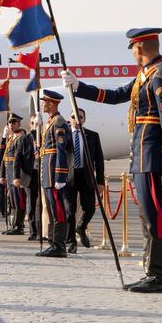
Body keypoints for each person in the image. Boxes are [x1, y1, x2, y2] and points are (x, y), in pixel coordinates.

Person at [63, 28, 162, 292]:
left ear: (139, 47)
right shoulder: (145, 75)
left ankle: (160, 276)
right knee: (147, 215)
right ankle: (151, 270)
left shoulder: (161, 76)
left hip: (153, 157)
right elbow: (116, 95)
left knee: (157, 215)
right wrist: (79, 87)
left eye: (132, 48)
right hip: (142, 155)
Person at [35, 90, 72, 258]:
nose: (42, 104)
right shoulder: (51, 122)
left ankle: (59, 245)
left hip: (54, 174)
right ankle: (52, 242)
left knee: (57, 210)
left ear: (51, 104)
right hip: (47, 173)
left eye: (44, 102)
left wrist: (60, 176)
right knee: (51, 210)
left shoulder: (58, 123)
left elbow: (61, 150)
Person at [65, 108, 105, 252]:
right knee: (70, 210)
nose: (77, 120)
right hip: (69, 176)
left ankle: (80, 227)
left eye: (80, 117)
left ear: (84, 119)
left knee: (89, 208)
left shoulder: (93, 136)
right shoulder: (64, 135)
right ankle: (71, 243)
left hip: (86, 176)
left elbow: (99, 160)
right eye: (73, 117)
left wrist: (100, 181)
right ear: (70, 119)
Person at [0, 114, 33, 236]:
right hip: (9, 173)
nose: (11, 125)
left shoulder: (21, 138)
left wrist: (17, 176)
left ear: (19, 123)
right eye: (10, 123)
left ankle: (19, 226)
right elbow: (4, 158)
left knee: (19, 201)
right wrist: (2, 174)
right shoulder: (11, 139)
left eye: (14, 122)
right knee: (13, 201)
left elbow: (21, 159)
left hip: (16, 174)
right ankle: (14, 224)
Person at [27, 115, 42, 241]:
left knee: (41, 205)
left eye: (37, 123)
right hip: (31, 174)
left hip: (43, 173)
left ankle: (42, 231)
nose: (35, 125)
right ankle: (33, 231)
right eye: (33, 123)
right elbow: (22, 156)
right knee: (31, 205)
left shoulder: (43, 136)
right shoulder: (26, 138)